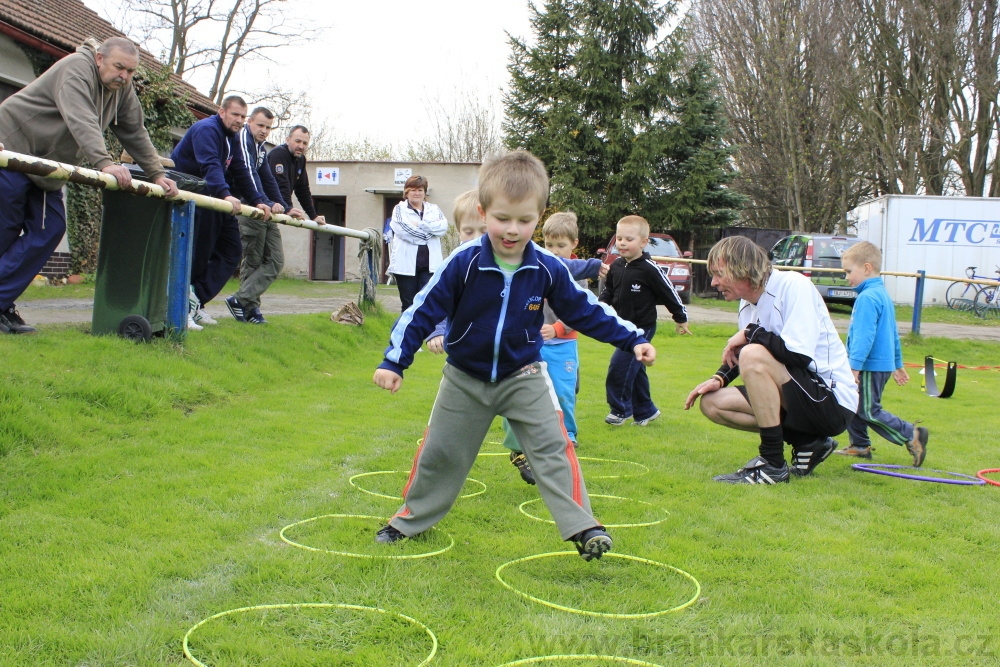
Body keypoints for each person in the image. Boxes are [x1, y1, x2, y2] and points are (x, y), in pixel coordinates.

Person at [372, 151, 656, 561]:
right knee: (441, 453)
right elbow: (422, 310)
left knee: (553, 447)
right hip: (464, 378)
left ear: (538, 218)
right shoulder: (463, 263)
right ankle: (408, 521)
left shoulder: (547, 267)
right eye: (502, 218)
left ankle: (584, 527)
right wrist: (394, 361)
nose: (512, 229)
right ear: (484, 212)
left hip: (524, 375)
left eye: (524, 220)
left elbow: (586, 310)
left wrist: (632, 339)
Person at [0, 37, 179, 334]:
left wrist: (157, 174)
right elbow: (81, 118)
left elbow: (134, 129)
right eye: (119, 67)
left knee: (49, 229)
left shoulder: (121, 90)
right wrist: (104, 163)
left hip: (47, 166)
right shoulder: (75, 69)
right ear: (99, 59)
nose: (124, 76)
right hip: (12, 151)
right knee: (5, 228)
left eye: (131, 71)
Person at [684, 236, 859, 484]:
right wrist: (719, 378)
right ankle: (808, 442)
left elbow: (797, 355)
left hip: (831, 401)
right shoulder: (747, 303)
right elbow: (753, 351)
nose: (714, 282)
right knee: (712, 403)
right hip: (799, 396)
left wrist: (749, 334)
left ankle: (772, 464)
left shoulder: (792, 285)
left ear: (742, 268)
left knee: (753, 353)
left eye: (719, 274)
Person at [503, 211, 608, 485]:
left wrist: (557, 328)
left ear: (574, 244)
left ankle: (567, 438)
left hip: (563, 344)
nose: (554, 252)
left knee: (563, 392)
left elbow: (580, 313)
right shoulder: (536, 267)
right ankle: (519, 447)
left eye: (560, 246)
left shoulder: (578, 275)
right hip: (531, 345)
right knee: (516, 391)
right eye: (549, 245)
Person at [171, 95, 271, 331]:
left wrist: (258, 200)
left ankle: (195, 301)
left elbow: (240, 170)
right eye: (235, 114)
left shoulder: (232, 138)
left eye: (242, 117)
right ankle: (180, 309)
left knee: (232, 251)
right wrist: (226, 194)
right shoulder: (207, 130)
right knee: (196, 255)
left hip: (216, 198)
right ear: (221, 112)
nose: (238, 120)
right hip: (193, 197)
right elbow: (210, 166)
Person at [835, 241, 928, 465]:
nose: (847, 277)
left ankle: (912, 435)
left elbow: (865, 336)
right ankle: (859, 445)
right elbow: (892, 333)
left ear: (867, 268)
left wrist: (854, 366)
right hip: (879, 364)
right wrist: (897, 363)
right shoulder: (882, 294)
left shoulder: (867, 298)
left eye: (849, 271)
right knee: (854, 404)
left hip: (869, 365)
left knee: (869, 410)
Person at [599, 216, 690, 427]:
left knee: (619, 366)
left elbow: (670, 294)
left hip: (642, 329)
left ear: (643, 242)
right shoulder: (616, 267)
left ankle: (620, 410)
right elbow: (608, 292)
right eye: (619, 238)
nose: (622, 243)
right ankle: (646, 411)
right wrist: (600, 308)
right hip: (622, 327)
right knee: (636, 369)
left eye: (628, 239)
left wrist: (681, 318)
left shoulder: (650, 269)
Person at [224, 107, 304, 324]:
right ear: (250, 122)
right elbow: (247, 173)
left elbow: (266, 178)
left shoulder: (260, 148)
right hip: (247, 206)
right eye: (260, 125)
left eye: (268, 127)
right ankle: (251, 311)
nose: (264, 131)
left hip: (263, 208)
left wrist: (285, 207)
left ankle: (240, 300)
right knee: (253, 260)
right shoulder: (243, 140)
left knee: (275, 261)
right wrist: (264, 202)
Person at [387, 175, 449, 313]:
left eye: (420, 190)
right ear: (406, 192)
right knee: (408, 304)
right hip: (405, 267)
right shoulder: (399, 209)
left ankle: (425, 334)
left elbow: (443, 227)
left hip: (429, 267)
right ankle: (406, 334)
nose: (417, 193)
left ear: (425, 192)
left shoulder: (434, 209)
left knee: (426, 303)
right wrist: (429, 234)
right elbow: (403, 230)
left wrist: (421, 224)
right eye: (413, 190)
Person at [266, 125, 326, 226]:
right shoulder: (279, 154)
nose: (301, 146)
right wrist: (288, 208)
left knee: (275, 242)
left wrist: (313, 215)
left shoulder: (301, 159)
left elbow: (303, 190)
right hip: (258, 208)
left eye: (305, 143)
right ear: (288, 140)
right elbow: (281, 184)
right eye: (297, 141)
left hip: (273, 212)